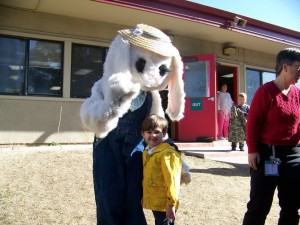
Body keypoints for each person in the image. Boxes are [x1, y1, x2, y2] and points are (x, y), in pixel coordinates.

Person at [242, 48, 300, 225]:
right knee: (260, 204)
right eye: (298, 67)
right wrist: (252, 150)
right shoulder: (265, 92)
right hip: (269, 155)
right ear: (285, 67)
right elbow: (253, 123)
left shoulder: (298, 94)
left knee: (292, 205)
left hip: (293, 154)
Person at [141, 114, 182, 225]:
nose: (153, 135)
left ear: (164, 134)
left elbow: (172, 181)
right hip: (156, 201)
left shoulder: (167, 154)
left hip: (165, 203)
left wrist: (171, 204)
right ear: (143, 134)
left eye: (157, 132)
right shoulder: (148, 152)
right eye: (149, 132)